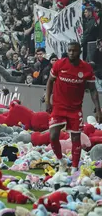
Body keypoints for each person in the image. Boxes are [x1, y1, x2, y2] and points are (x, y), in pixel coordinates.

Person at [45, 42, 102, 174]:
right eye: (69, 50)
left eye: (74, 51)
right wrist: (48, 101)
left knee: (76, 138)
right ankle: (61, 161)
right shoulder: (59, 64)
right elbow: (49, 81)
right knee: (53, 136)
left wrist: (98, 109)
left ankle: (75, 168)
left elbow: (93, 90)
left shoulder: (86, 68)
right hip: (58, 106)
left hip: (75, 109)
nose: (71, 53)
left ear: (79, 52)